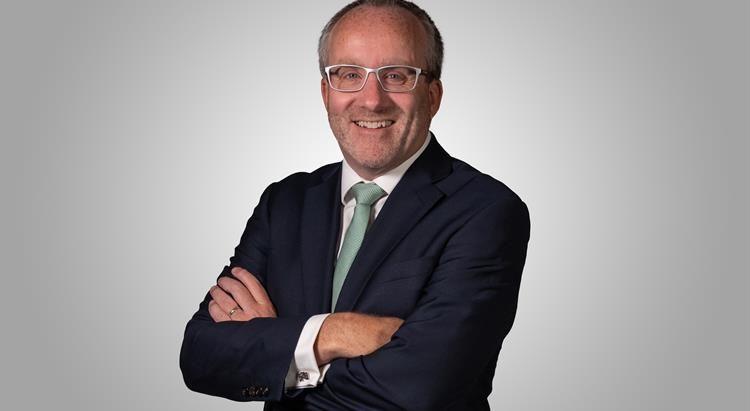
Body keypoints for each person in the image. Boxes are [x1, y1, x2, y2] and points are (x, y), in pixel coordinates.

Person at [180, 1, 530, 409]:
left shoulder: (486, 211)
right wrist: (333, 333)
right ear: (326, 93)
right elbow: (201, 357)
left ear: (433, 96)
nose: (371, 100)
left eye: (396, 76)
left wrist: (275, 351)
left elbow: (423, 390)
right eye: (348, 75)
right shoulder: (286, 203)